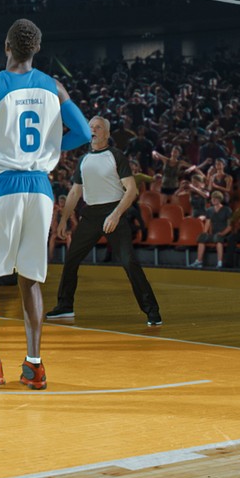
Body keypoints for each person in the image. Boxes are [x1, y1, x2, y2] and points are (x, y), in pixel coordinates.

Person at [0, 19, 90, 391]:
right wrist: (51, 146)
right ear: (35, 49)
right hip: (41, 188)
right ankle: (35, 366)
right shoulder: (54, 87)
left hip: (5, 185)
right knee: (30, 279)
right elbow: (86, 133)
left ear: (7, 46)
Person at [48, 116, 162, 325]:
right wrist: (63, 220)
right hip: (91, 214)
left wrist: (116, 214)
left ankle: (152, 311)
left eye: (98, 127)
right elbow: (74, 193)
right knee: (71, 259)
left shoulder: (116, 156)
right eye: (91, 127)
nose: (93, 130)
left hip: (114, 212)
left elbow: (131, 190)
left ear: (107, 134)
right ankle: (65, 306)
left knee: (129, 262)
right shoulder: (83, 160)